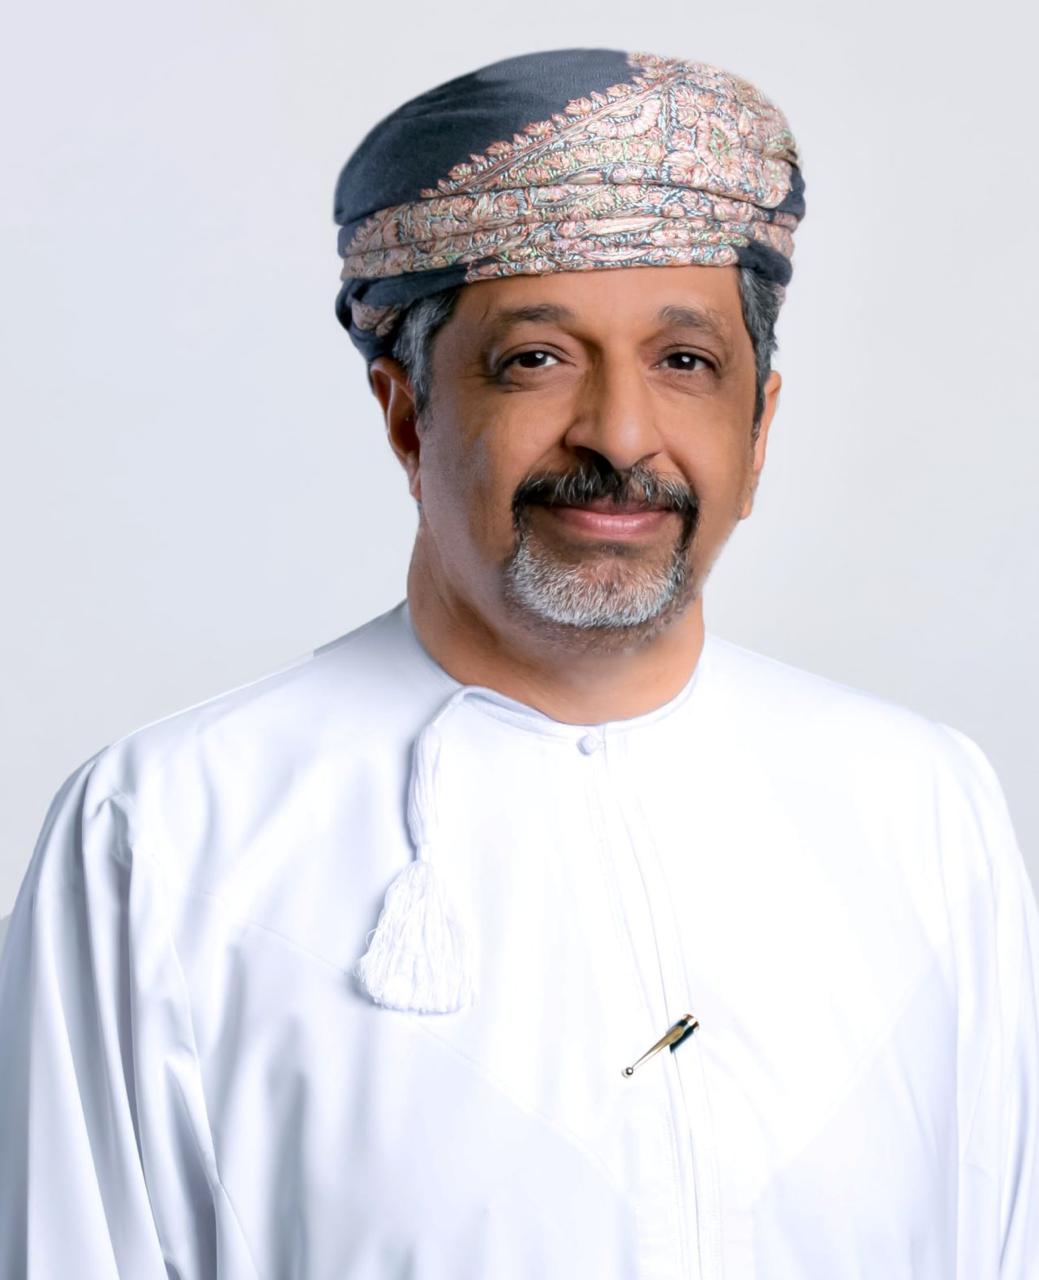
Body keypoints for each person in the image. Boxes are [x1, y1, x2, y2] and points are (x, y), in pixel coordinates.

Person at [0, 46, 1035, 1280]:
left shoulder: (920, 806)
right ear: (407, 416)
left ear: (757, 428)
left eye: (685, 362)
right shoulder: (166, 833)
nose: (620, 435)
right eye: (536, 358)